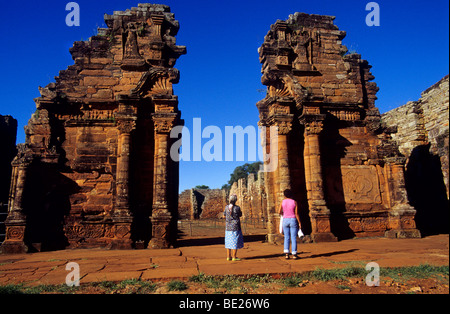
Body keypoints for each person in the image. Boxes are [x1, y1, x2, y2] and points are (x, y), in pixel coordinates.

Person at [278, 189, 301, 259]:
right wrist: (299, 222)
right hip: (293, 219)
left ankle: (287, 254)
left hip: (285, 220)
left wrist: (284, 214)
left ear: (284, 195)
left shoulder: (282, 202)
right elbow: (296, 213)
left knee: (286, 237)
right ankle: (294, 254)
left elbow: (279, 211)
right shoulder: (294, 202)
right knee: (293, 237)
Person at [224, 194, 244, 261]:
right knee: (235, 241)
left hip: (228, 227)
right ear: (235, 200)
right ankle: (234, 257)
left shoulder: (226, 207)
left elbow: (224, 215)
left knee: (228, 241)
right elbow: (240, 215)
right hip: (235, 226)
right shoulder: (237, 208)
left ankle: (228, 256)